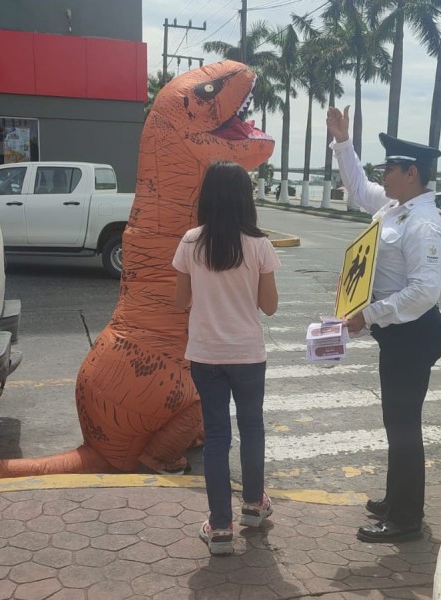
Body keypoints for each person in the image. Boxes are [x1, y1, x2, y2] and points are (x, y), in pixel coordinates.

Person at [326, 106, 441, 543]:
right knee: (396, 421)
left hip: (413, 334)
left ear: (411, 173)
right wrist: (343, 141)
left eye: (390, 168)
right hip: (398, 334)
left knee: (402, 425)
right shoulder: (396, 208)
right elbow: (358, 188)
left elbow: (423, 293)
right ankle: (397, 499)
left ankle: (405, 519)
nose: (384, 175)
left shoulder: (424, 225)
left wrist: (369, 313)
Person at [172, 160, 281, 556]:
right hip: (248, 355)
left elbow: (180, 301)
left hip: (205, 354)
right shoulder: (259, 244)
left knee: (217, 438)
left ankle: (220, 528)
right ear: (244, 200)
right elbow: (269, 306)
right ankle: (254, 506)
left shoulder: (190, 242)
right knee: (252, 429)